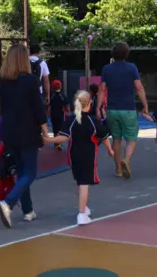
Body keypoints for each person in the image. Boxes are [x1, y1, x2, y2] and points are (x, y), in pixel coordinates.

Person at [0, 43, 49, 229]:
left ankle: (28, 211)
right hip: (27, 131)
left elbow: (3, 108)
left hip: (10, 131)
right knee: (30, 172)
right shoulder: (31, 80)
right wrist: (45, 130)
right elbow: (38, 108)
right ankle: (8, 203)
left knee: (21, 171)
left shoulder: (3, 80)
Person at [43, 90, 115, 225]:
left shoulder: (70, 120)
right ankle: (81, 215)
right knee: (84, 184)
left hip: (74, 155)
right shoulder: (92, 121)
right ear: (89, 103)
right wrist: (110, 150)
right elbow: (104, 137)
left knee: (80, 182)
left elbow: (64, 137)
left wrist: (49, 140)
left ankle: (84, 207)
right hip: (88, 155)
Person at [97, 42, 148, 179]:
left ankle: (118, 168)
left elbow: (102, 89)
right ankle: (126, 159)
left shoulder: (106, 69)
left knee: (116, 139)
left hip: (112, 109)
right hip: (128, 109)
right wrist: (145, 105)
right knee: (131, 138)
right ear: (127, 53)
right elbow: (139, 87)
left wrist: (98, 107)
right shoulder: (132, 68)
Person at [49, 80, 69, 151]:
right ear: (61, 86)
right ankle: (59, 144)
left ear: (52, 87)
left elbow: (49, 106)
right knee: (60, 129)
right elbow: (67, 106)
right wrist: (68, 112)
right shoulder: (62, 95)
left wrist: (48, 114)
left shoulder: (52, 95)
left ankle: (55, 144)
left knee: (55, 129)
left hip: (54, 115)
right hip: (61, 115)